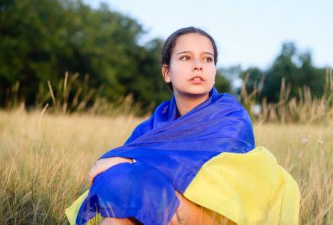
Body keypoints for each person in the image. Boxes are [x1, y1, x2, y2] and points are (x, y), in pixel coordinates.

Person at [66, 27, 300, 225]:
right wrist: (129, 168)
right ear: (167, 72)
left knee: (151, 196)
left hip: (217, 214)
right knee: (118, 218)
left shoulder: (232, 116)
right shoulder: (152, 127)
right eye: (186, 57)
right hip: (161, 208)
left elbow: (203, 175)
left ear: (214, 72)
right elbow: (113, 180)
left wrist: (128, 161)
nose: (198, 65)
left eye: (207, 59)